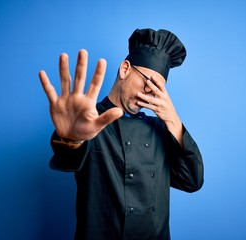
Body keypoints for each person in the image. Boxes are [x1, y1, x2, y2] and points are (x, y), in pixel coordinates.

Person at [39, 28, 204, 240]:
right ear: (125, 69)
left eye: (157, 90)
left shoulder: (162, 130)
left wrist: (172, 118)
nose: (150, 94)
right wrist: (72, 137)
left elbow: (192, 180)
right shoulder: (89, 120)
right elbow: (67, 157)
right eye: (148, 82)